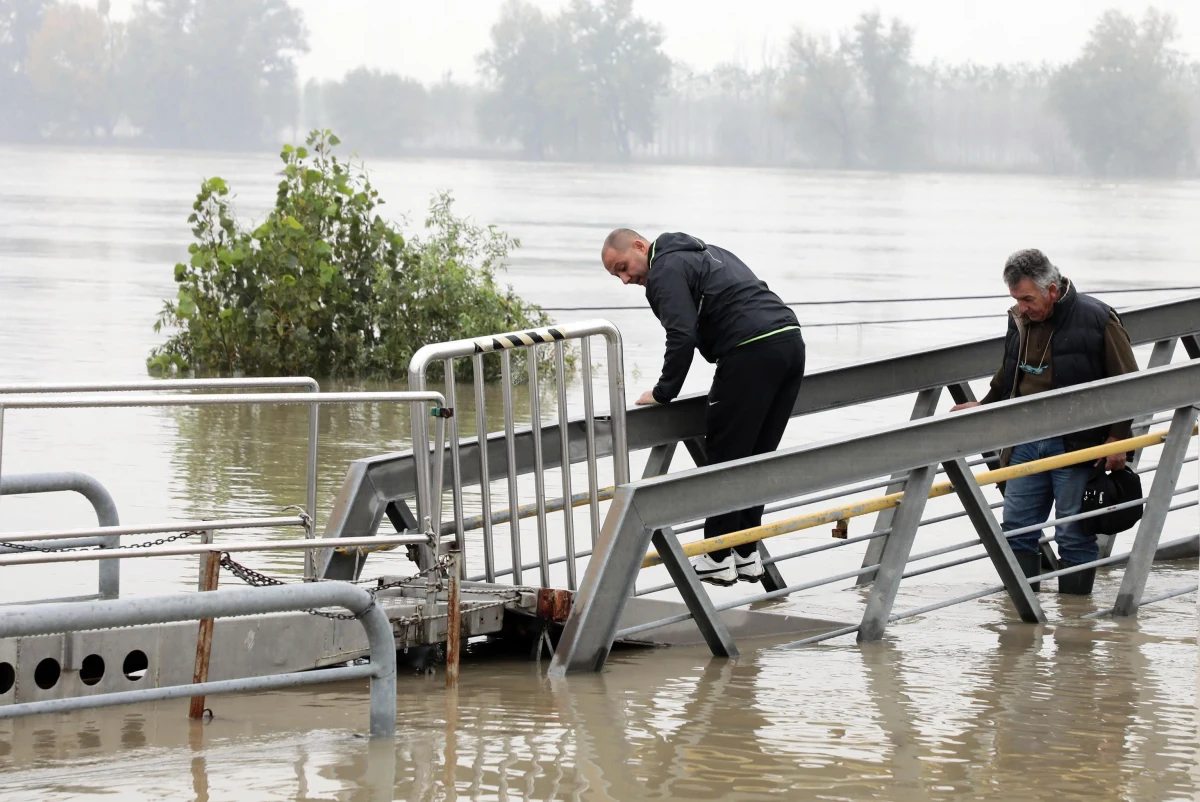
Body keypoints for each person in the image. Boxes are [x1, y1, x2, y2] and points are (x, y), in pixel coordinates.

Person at [600, 229, 806, 586]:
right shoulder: (705, 252)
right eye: (616, 275)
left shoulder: (663, 269)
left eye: (622, 267)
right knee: (756, 456)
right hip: (789, 341)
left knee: (724, 456)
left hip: (750, 350)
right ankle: (745, 551)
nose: (624, 279)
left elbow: (682, 334)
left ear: (639, 246)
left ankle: (716, 556)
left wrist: (664, 392)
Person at [951, 249, 1138, 594]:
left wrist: (1118, 439)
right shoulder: (1020, 319)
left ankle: (1075, 619)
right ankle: (1023, 621)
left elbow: (1129, 383)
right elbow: (1009, 371)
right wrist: (983, 404)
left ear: (1052, 290)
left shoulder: (1098, 319)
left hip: (1079, 444)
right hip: (1025, 440)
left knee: (1073, 531)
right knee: (1016, 528)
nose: (1022, 307)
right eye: (1016, 299)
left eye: (1027, 298)